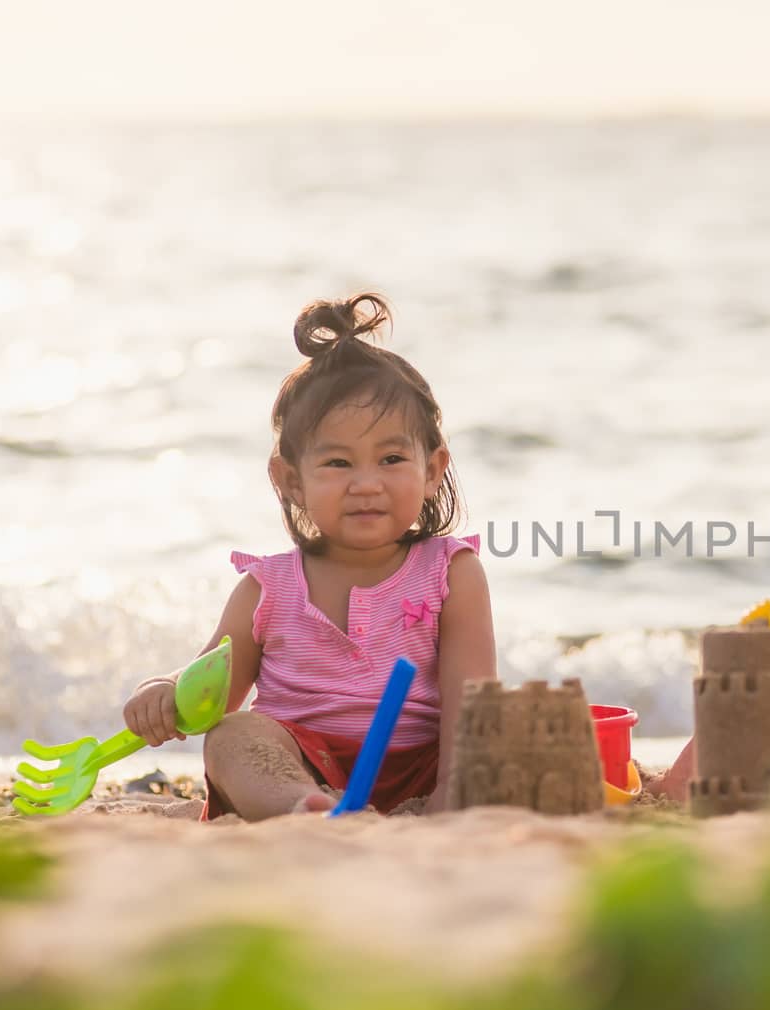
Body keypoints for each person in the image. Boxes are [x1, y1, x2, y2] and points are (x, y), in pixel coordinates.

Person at [122, 293, 495, 819]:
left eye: (392, 458)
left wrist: (451, 791)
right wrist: (161, 692)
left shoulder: (451, 572)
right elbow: (211, 697)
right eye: (339, 462)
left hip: (423, 765)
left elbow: (471, 700)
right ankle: (305, 809)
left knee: (499, 740)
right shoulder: (266, 588)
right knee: (233, 736)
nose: (367, 484)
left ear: (432, 470)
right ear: (290, 480)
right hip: (300, 762)